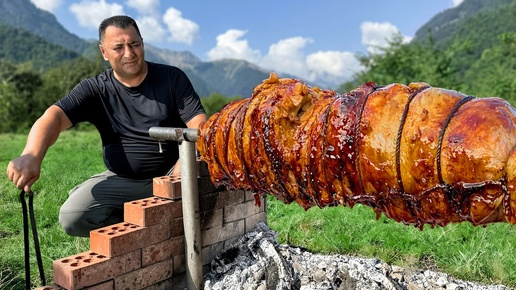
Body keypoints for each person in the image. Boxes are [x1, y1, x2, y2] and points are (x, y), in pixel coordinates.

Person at [6, 15, 207, 237]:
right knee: (73, 216)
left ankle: (161, 232)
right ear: (104, 52)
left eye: (134, 44)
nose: (129, 54)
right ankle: (135, 234)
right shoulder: (95, 89)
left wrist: (183, 166)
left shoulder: (172, 77)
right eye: (118, 47)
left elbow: (198, 123)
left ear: (142, 43)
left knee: (194, 208)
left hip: (173, 174)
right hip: (123, 180)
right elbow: (53, 117)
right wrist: (32, 155)